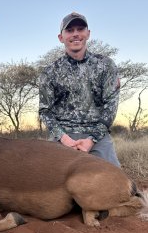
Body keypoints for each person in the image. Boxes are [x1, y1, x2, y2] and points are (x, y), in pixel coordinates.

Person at [39, 12, 121, 167]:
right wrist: (64, 138)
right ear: (61, 37)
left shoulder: (106, 65)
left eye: (80, 29)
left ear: (88, 34)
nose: (75, 34)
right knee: (46, 182)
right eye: (70, 30)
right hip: (62, 138)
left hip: (97, 137)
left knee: (118, 183)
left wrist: (92, 140)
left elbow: (110, 107)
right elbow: (45, 111)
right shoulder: (49, 72)